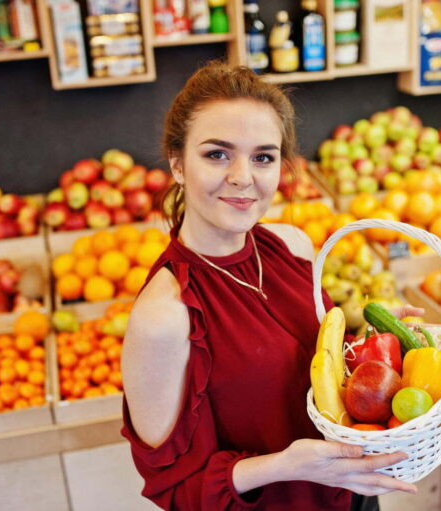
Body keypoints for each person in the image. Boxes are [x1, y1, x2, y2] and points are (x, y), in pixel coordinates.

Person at [120, 61, 418, 511]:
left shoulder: (293, 246)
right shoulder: (165, 316)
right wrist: (285, 466)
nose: (243, 177)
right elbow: (175, 490)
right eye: (217, 154)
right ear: (178, 164)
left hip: (354, 493)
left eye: (263, 156)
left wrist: (376, 346)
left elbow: (321, 367)